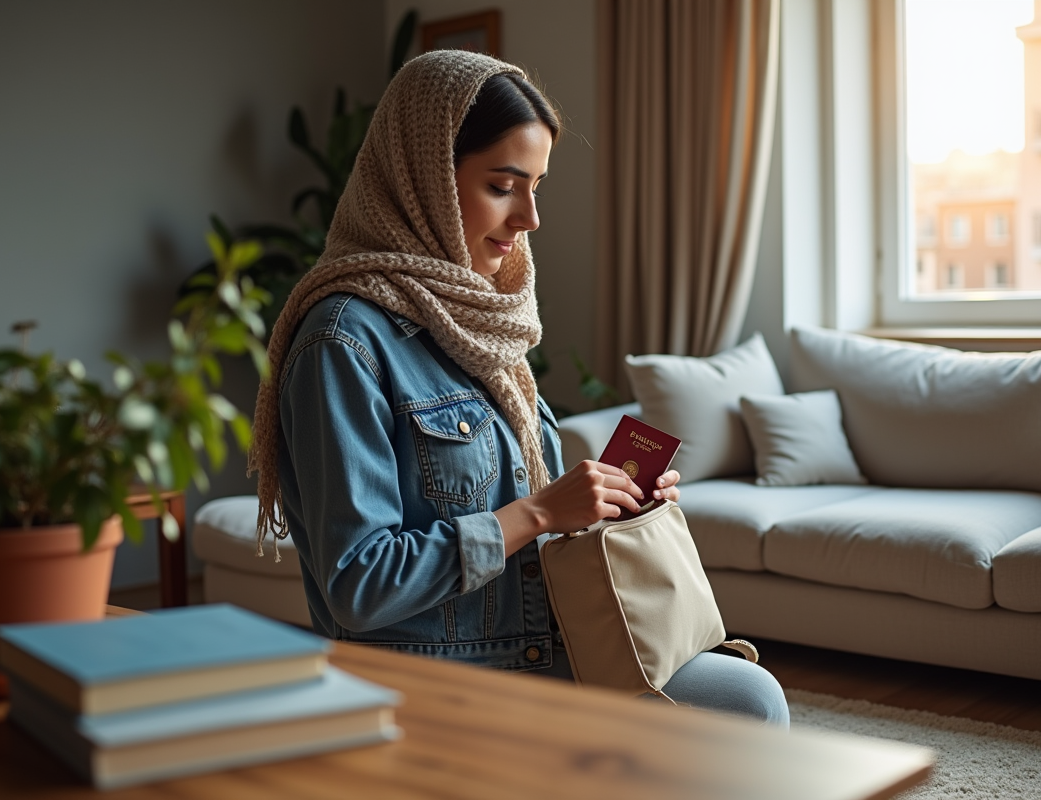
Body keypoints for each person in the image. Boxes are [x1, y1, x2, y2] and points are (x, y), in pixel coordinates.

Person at [249, 50, 788, 726]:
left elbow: (529, 513)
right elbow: (359, 582)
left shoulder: (478, 320)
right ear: (426, 180)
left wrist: (602, 504)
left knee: (748, 696)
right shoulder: (343, 343)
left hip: (546, 644)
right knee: (744, 710)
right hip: (439, 673)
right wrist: (537, 515)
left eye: (537, 185)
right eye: (504, 186)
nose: (530, 216)